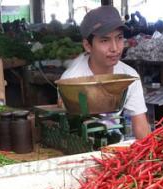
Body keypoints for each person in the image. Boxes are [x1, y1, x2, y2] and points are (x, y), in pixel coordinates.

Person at [60, 6, 151, 140]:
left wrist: (151, 155)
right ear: (87, 46)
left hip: (114, 146)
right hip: (80, 147)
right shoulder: (71, 80)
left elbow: (141, 126)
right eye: (104, 40)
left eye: (119, 38)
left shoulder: (129, 75)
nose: (114, 48)